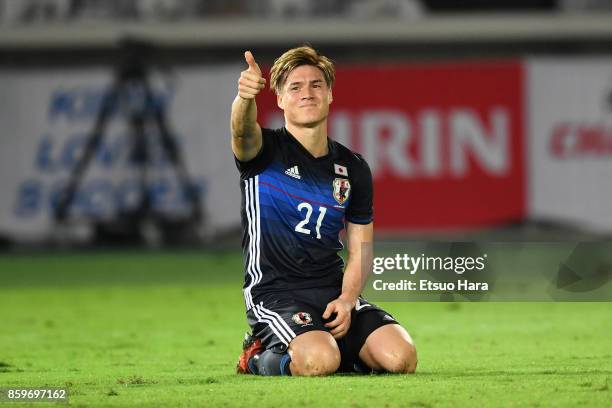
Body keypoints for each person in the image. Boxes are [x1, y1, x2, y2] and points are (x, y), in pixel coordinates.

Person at [231, 45, 417, 376]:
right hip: (276, 295)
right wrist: (245, 99)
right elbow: (242, 132)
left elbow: (361, 247)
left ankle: (337, 349)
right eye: (295, 87)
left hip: (332, 292)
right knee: (318, 361)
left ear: (330, 94)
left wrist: (347, 299)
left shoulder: (352, 167)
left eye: (316, 84)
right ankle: (257, 356)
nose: (308, 93)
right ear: (280, 99)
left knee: (401, 358)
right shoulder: (264, 152)